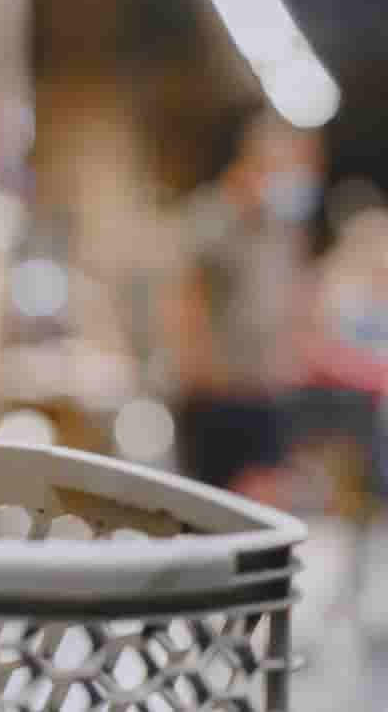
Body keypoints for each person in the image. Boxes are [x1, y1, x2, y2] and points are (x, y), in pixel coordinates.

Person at [164, 105, 323, 503]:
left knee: (264, 505)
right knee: (208, 507)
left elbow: (289, 294)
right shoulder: (211, 220)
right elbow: (186, 298)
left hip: (266, 389)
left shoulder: (282, 227)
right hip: (217, 394)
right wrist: (197, 370)